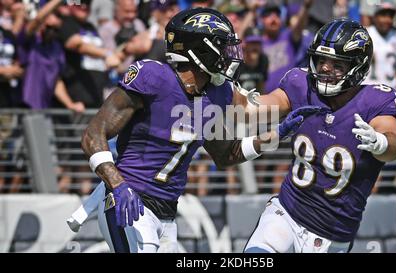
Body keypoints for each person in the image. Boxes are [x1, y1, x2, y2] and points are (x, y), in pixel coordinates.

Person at [70, 7, 320, 253]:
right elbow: (93, 135)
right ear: (199, 49)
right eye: (221, 46)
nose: (228, 54)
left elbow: (226, 154)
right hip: (130, 201)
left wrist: (275, 136)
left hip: (167, 212)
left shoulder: (218, 93)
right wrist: (118, 184)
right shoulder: (154, 77)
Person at [240, 18, 396, 253]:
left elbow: (394, 144)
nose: (326, 68)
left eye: (337, 63)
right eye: (322, 60)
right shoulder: (302, 84)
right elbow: (256, 109)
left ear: (357, 66)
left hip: (332, 235)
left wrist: (380, 142)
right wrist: (232, 95)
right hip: (286, 213)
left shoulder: (375, 100)